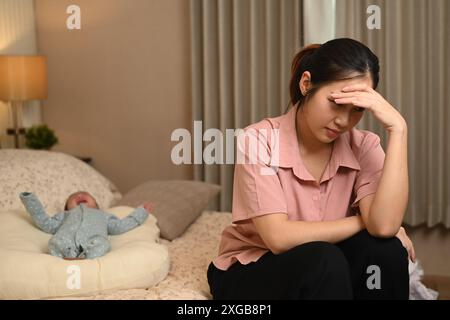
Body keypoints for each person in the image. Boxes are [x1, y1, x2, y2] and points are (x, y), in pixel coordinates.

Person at [207, 38, 415, 300]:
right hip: (255, 268)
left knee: (386, 250)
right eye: (336, 103)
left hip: (329, 264)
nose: (343, 120)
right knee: (323, 259)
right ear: (306, 84)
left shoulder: (364, 145)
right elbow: (278, 238)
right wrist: (365, 221)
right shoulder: (258, 140)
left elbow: (384, 226)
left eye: (357, 110)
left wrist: (398, 129)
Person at [20, 191, 153, 260]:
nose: (79, 195)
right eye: (73, 197)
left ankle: (87, 257)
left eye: (86, 195)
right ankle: (67, 256)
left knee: (103, 243)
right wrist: (30, 200)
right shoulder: (65, 215)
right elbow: (46, 223)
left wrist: (141, 213)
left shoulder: (103, 215)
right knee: (55, 241)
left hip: (93, 240)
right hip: (67, 241)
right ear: (67, 208)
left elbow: (120, 225)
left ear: (96, 205)